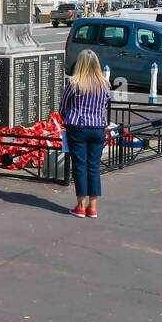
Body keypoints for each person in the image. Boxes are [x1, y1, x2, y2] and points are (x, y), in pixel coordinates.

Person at [59, 50, 110, 218]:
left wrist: (68, 117)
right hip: (98, 128)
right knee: (94, 166)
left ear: (79, 64)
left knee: (80, 165)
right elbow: (105, 106)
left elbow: (63, 108)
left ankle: (80, 206)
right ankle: (93, 206)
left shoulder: (74, 83)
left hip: (78, 127)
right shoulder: (104, 85)